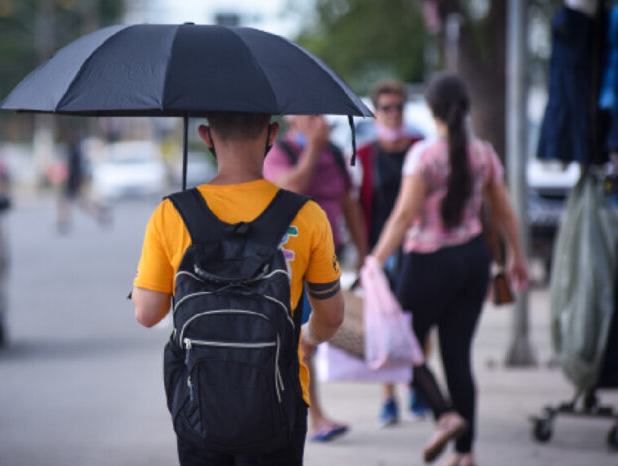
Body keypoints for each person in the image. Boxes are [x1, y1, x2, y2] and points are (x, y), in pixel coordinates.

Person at [132, 111, 345, 465]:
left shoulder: (171, 214)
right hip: (280, 402)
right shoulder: (307, 215)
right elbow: (333, 316)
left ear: (205, 135)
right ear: (272, 133)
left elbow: (147, 313)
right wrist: (305, 340)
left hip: (199, 403)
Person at [369, 74, 529, 466]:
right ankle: (466, 452)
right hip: (473, 261)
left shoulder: (423, 156)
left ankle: (444, 415)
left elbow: (405, 215)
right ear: (466, 109)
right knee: (457, 356)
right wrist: (517, 257)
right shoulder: (483, 154)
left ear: (432, 110)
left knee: (400, 347)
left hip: (428, 261)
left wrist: (375, 259)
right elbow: (504, 210)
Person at [264, 114, 367, 442]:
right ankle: (312, 417)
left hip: (328, 259)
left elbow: (349, 205)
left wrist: (365, 254)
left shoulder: (335, 154)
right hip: (291, 263)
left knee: (309, 341)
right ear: (293, 122)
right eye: (310, 116)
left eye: (320, 115)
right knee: (300, 342)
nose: (318, 121)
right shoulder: (282, 152)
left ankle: (306, 414)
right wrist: (313, 150)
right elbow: (291, 187)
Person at [355, 80, 428, 427]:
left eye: (399, 106)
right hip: (381, 248)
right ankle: (388, 398)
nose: (394, 113)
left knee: (420, 322)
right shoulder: (365, 156)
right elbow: (356, 207)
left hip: (420, 245)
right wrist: (362, 253)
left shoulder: (421, 148)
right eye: (386, 107)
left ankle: (418, 387)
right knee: (384, 322)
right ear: (375, 112)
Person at [56, 129, 109, 233]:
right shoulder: (74, 150)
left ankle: (99, 213)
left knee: (77, 203)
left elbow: (76, 169)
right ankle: (99, 212)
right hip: (73, 181)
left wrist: (76, 181)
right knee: (73, 202)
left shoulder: (75, 151)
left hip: (73, 182)